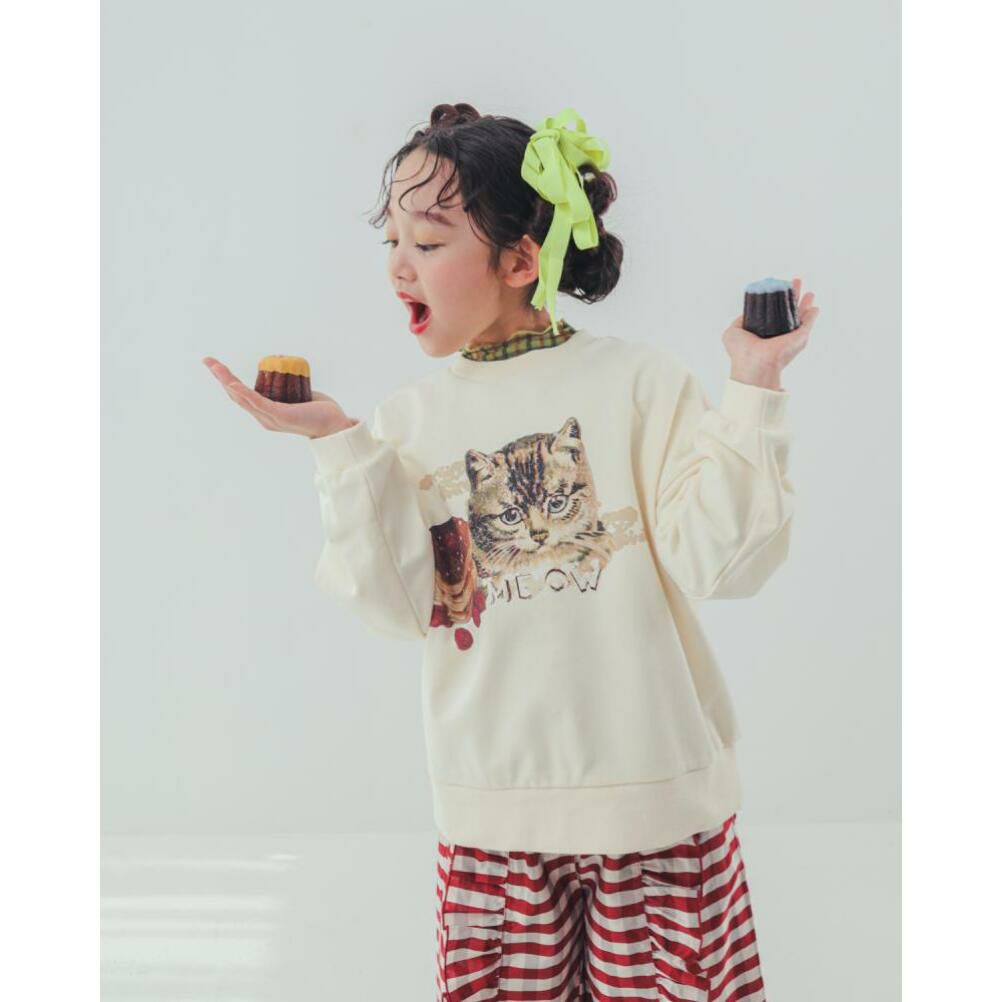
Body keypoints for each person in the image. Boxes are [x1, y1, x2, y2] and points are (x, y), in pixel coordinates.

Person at [203, 102, 819, 1002]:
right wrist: (338, 443)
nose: (398, 265)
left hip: (655, 816)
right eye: (392, 240)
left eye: (428, 241)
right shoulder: (408, 423)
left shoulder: (637, 384)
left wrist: (754, 386)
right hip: (491, 825)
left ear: (521, 260)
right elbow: (398, 607)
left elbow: (723, 563)